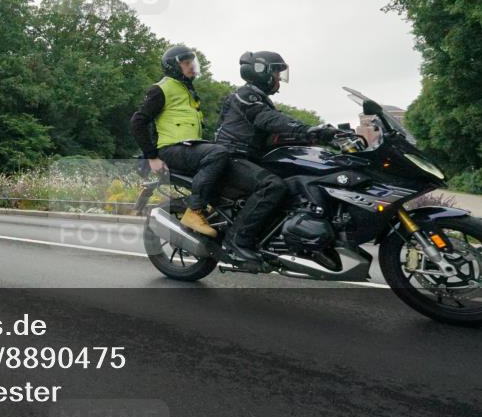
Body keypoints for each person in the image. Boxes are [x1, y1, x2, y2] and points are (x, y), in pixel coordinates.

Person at [215, 51, 338, 260]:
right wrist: (308, 129)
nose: (279, 78)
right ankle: (237, 240)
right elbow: (268, 120)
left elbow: (276, 133)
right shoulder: (245, 95)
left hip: (251, 158)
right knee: (272, 186)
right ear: (261, 71)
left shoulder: (259, 99)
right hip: (232, 156)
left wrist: (319, 138)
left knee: (293, 181)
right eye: (276, 72)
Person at [131, 45, 229, 238]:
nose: (192, 67)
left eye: (193, 63)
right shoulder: (161, 89)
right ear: (174, 66)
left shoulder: (188, 91)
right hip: (170, 150)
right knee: (218, 153)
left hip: (188, 149)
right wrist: (152, 157)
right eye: (186, 63)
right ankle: (194, 212)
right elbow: (137, 122)